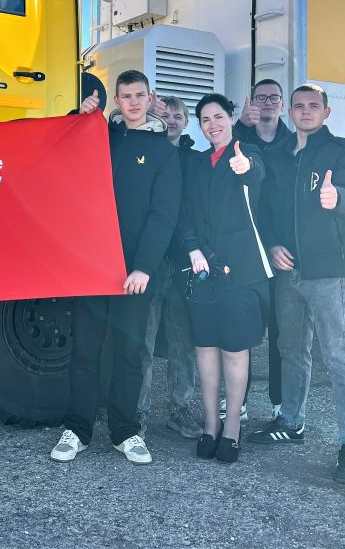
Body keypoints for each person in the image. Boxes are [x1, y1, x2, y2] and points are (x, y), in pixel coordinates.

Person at [50, 70, 181, 465]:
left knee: (129, 353)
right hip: (92, 266)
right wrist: (78, 115)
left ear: (150, 98)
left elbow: (163, 214)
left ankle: (126, 432)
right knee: (84, 350)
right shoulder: (99, 136)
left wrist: (144, 267)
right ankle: (77, 430)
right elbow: (60, 150)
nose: (134, 102)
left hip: (133, 274)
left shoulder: (163, 150)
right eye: (126, 96)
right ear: (117, 101)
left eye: (140, 95)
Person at [247, 84, 345, 484]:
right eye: (298, 106)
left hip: (328, 271)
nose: (305, 111)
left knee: (339, 355)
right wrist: (272, 244)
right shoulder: (277, 155)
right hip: (288, 271)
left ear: (326, 112)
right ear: (290, 112)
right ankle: (291, 421)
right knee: (290, 349)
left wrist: (339, 198)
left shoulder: (341, 152)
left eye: (314, 106)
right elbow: (263, 210)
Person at [178, 93, 272, 463]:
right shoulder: (196, 164)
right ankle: (209, 423)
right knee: (205, 348)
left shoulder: (247, 153)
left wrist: (244, 165)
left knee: (234, 349)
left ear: (231, 117)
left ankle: (232, 425)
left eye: (218, 116)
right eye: (205, 119)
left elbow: (255, 172)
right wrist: (191, 248)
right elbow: (184, 211)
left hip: (241, 271)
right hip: (203, 269)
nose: (212, 125)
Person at [136, 95, 202, 440]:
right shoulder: (147, 153)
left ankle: (181, 409)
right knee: (143, 341)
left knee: (182, 341)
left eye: (179, 116)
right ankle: (138, 412)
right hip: (149, 260)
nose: (173, 120)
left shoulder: (195, 160)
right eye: (168, 115)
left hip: (182, 262)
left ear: (187, 122)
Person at [229, 78, 288, 423]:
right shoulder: (240, 139)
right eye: (261, 97)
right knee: (244, 329)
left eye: (273, 97)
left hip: (280, 249)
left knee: (282, 332)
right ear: (251, 102)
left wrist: (280, 242)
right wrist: (240, 125)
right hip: (247, 247)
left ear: (282, 104)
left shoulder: (292, 143)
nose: (267, 103)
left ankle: (280, 402)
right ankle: (239, 401)